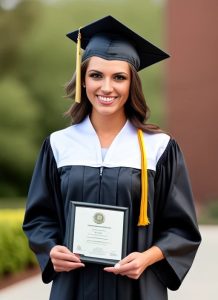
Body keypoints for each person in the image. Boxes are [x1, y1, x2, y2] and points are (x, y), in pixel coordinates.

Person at [23, 15, 201, 300]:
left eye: (119, 77)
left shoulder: (159, 148)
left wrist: (148, 257)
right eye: (96, 75)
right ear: (83, 80)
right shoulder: (59, 145)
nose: (106, 87)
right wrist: (50, 249)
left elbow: (181, 229)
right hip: (74, 288)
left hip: (138, 289)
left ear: (132, 84)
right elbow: (39, 219)